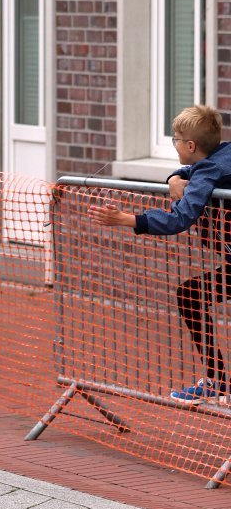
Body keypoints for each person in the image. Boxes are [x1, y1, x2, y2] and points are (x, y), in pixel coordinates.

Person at [92, 103, 231, 407]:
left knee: (191, 295)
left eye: (175, 141)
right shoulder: (224, 154)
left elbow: (180, 218)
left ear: (190, 145)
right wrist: (174, 177)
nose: (174, 146)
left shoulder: (208, 170)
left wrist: (128, 219)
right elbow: (197, 168)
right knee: (192, 294)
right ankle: (217, 381)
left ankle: (218, 382)